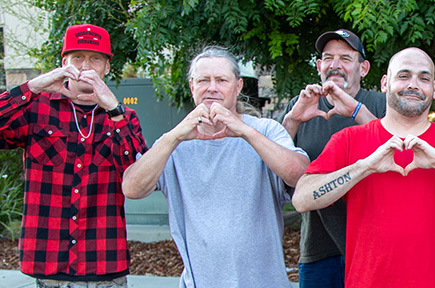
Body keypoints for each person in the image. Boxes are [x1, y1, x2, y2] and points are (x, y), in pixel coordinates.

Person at [292, 48, 435, 288]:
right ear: (385, 83)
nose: (414, 84)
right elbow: (302, 199)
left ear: (434, 89)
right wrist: (365, 167)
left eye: (423, 78)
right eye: (403, 76)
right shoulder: (349, 140)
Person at [121, 46, 309, 287]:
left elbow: (300, 175)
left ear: (238, 86)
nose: (212, 87)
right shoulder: (174, 142)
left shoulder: (265, 130)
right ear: (191, 87)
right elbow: (132, 188)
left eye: (221, 80)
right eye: (203, 80)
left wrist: (244, 132)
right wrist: (173, 137)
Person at [0, 23, 147, 288]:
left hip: (104, 263)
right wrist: (33, 86)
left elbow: (139, 175)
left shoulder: (124, 118)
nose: (86, 66)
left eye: (95, 59)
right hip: (48, 265)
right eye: (78, 57)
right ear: (64, 62)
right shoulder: (36, 108)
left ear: (107, 67)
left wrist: (114, 109)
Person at [280, 28, 386, 288]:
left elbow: (397, 153)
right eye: (328, 58)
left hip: (375, 249)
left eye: (346, 58)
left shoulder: (381, 104)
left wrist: (357, 111)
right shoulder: (302, 105)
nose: (335, 65)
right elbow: (275, 167)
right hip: (318, 250)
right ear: (319, 66)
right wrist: (292, 120)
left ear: (363, 68)